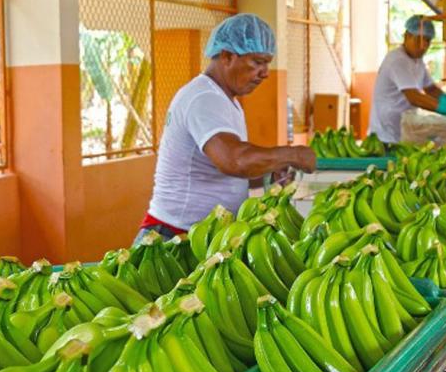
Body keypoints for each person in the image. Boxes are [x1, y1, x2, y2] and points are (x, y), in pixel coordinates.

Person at [135, 14, 316, 244]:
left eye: (267, 63)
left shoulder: (226, 100)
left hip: (204, 235)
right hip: (174, 237)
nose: (265, 73)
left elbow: (227, 172)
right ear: (227, 56)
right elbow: (234, 160)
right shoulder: (204, 98)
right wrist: (293, 154)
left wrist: (271, 170)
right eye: (257, 62)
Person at [368, 15, 446, 144]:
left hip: (401, 130)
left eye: (427, 41)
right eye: (419, 40)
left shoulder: (417, 61)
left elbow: (430, 89)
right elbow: (414, 97)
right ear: (407, 36)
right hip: (385, 135)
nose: (423, 46)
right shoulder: (397, 61)